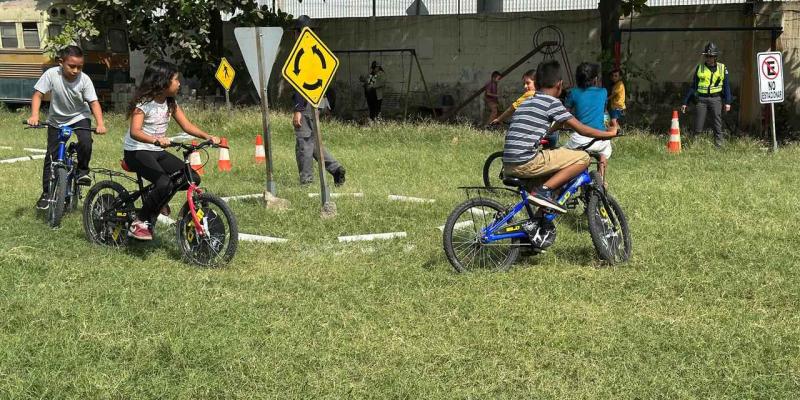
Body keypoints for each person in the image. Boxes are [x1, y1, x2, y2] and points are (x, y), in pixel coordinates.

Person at [503, 60, 617, 213]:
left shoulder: (526, 102)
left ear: (537, 83)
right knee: (583, 158)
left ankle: (542, 218)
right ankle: (543, 191)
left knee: (557, 163)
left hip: (508, 163)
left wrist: (549, 132)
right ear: (559, 84)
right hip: (526, 162)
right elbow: (582, 129)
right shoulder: (552, 102)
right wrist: (609, 134)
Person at [123, 61, 220, 241]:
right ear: (162, 81)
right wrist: (155, 139)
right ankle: (139, 222)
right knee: (164, 183)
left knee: (191, 178)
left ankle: (157, 198)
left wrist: (207, 136)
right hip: (136, 150)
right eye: (176, 79)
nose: (179, 83)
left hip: (156, 150)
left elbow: (186, 125)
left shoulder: (170, 103)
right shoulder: (143, 103)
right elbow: (135, 131)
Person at [27, 45, 107, 210]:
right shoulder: (51, 74)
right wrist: (35, 115)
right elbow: (38, 95)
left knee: (86, 142)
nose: (76, 70)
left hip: (79, 117)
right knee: (52, 156)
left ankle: (82, 171)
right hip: (57, 120)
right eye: (72, 66)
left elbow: (94, 103)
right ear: (61, 62)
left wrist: (100, 124)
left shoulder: (84, 79)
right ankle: (47, 193)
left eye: (80, 67)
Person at [564, 62, 612, 179]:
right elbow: (605, 113)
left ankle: (573, 177)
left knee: (563, 152)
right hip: (601, 140)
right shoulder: (603, 92)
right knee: (604, 152)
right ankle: (602, 179)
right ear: (595, 79)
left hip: (579, 140)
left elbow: (564, 114)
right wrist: (607, 127)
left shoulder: (573, 93)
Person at [681, 42, 731, 148]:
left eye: (711, 56)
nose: (708, 58)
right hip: (701, 100)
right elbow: (693, 86)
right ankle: (694, 145)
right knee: (698, 123)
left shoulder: (722, 68)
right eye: (707, 56)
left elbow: (726, 86)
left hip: (716, 99)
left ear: (715, 57)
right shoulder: (700, 68)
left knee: (717, 123)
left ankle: (719, 145)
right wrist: (685, 102)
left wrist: (728, 102)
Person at [292, 91, 346, 187]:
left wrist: (298, 108)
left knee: (304, 143)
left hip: (307, 101)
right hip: (318, 100)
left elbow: (301, 84)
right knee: (312, 142)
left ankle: (306, 182)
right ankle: (336, 169)